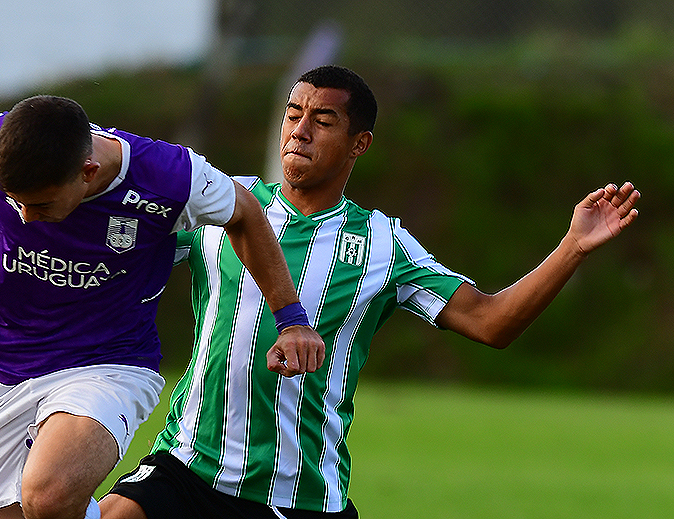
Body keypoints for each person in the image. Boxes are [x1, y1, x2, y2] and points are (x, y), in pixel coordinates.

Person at [95, 65, 640, 518]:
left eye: (322, 120)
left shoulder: (383, 244)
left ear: (360, 143)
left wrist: (573, 246)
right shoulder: (223, 206)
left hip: (298, 492)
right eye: (293, 114)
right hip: (187, 462)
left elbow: (490, 322)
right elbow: (119, 243)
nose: (299, 130)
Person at [0, 95, 325, 519]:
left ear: (88, 172)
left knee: (48, 494)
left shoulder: (171, 178)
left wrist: (292, 320)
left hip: (108, 361)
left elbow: (245, 213)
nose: (22, 218)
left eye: (40, 204)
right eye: (15, 202)